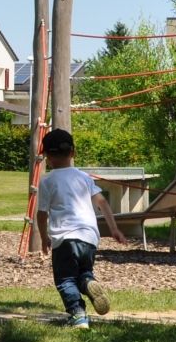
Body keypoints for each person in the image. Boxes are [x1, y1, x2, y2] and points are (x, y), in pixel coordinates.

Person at [35, 127, 127, 329]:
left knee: (65, 279)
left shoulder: (48, 181)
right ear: (73, 153)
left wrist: (44, 237)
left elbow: (42, 214)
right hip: (89, 237)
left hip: (65, 238)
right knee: (84, 271)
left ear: (47, 157)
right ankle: (87, 283)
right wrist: (114, 230)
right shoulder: (84, 178)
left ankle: (78, 314)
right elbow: (103, 203)